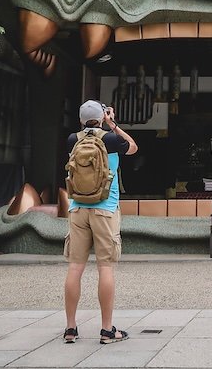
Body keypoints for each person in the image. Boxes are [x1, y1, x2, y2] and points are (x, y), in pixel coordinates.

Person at [62, 100, 138, 344]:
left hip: (77, 208)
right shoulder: (111, 140)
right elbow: (134, 147)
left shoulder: (72, 140)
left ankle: (71, 328)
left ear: (81, 119)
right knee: (105, 268)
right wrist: (112, 123)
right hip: (105, 208)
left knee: (75, 267)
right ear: (102, 116)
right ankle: (107, 330)